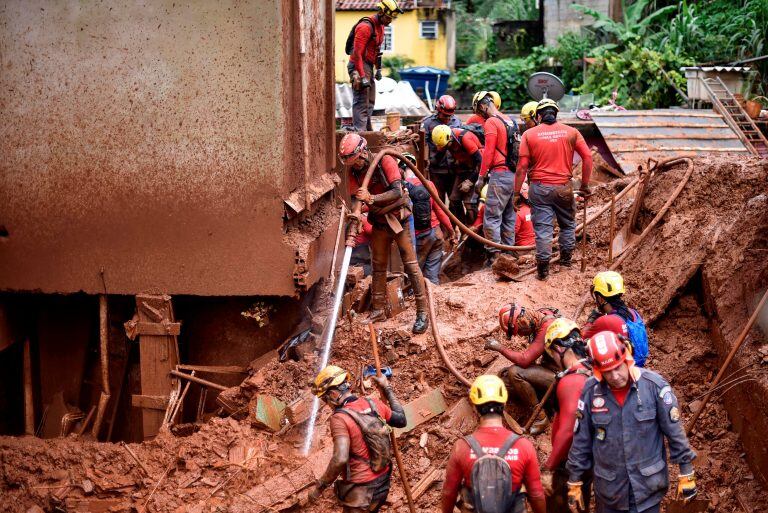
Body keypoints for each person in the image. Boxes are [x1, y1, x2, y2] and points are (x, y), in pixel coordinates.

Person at [566, 331, 697, 513]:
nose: (614, 376)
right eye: (607, 372)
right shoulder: (590, 392)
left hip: (647, 489)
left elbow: (675, 433)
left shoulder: (654, 387)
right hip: (609, 491)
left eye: (618, 368)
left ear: (627, 358)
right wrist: (575, 480)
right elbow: (581, 440)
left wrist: (686, 472)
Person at [339, 133, 429, 333]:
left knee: (411, 264)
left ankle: (422, 313)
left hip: (399, 219)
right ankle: (379, 309)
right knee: (378, 265)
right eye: (351, 164)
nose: (355, 166)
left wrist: (371, 198)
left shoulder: (385, 160)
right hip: (379, 222)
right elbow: (357, 198)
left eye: (356, 162)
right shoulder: (353, 172)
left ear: (363, 153)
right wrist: (355, 213)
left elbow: (397, 192)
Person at [308, 365, 407, 512]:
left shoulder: (339, 418)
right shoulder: (373, 403)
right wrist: (387, 387)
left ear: (334, 394)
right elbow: (401, 420)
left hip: (362, 493)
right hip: (383, 485)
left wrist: (319, 487)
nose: (326, 403)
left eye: (324, 398)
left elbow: (340, 458)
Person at [442, 375, 547, 513]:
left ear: (474, 407)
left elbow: (449, 492)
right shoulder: (524, 446)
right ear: (503, 404)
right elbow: (536, 494)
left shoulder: (461, 447)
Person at [514, 98, 593, 281]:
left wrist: (516, 193)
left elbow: (521, 168)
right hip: (564, 188)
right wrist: (585, 186)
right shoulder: (572, 132)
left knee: (543, 229)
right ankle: (565, 262)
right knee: (567, 225)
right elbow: (588, 157)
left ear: (539, 115)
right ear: (556, 114)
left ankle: (543, 271)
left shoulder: (529, 135)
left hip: (539, 188)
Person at [540, 319, 593, 513]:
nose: (553, 359)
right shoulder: (590, 371)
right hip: (587, 458)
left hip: (569, 460)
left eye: (551, 354)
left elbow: (570, 428)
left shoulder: (572, 381)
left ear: (558, 348)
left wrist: (549, 467)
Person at [485, 302, 561, 434]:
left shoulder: (547, 326)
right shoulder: (540, 320)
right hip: (550, 372)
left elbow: (525, 360)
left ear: (524, 321)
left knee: (515, 372)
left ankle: (540, 417)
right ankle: (544, 404)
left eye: (518, 331)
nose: (520, 335)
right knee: (505, 380)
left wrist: (499, 348)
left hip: (561, 377)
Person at [473, 91, 518, 265]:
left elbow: (489, 151)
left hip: (499, 175)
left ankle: (494, 257)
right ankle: (509, 254)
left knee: (491, 217)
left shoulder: (492, 122)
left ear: (483, 105)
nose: (480, 116)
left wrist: (481, 176)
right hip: (513, 176)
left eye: (479, 111)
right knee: (508, 216)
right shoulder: (510, 120)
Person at [347, 0, 403, 131]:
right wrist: (362, 76)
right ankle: (360, 134)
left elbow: (377, 50)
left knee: (370, 101)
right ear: (381, 12)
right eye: (388, 18)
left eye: (392, 18)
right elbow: (357, 54)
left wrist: (378, 69)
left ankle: (366, 130)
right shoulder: (365, 27)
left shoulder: (381, 27)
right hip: (357, 64)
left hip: (368, 65)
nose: (390, 21)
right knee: (361, 100)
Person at [582, 271, 649, 367]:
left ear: (600, 299)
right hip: (638, 366)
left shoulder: (605, 321)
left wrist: (590, 321)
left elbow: (581, 338)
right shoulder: (633, 313)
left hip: (621, 369)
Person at [405, 167, 454, 285]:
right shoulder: (428, 184)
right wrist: (451, 232)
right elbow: (440, 210)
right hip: (436, 234)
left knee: (415, 276)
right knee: (432, 277)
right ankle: (434, 299)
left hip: (419, 237)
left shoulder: (403, 187)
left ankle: (418, 301)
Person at [432, 124, 483, 224]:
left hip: (477, 170)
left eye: (446, 146)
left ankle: (475, 231)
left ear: (450, 138)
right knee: (454, 199)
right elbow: (437, 158)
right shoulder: (444, 139)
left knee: (470, 203)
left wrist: (470, 181)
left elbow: (481, 162)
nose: (445, 148)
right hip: (463, 169)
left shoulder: (465, 139)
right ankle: (464, 229)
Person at [421, 95, 462, 209]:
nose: (447, 119)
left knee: (455, 201)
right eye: (444, 115)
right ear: (438, 110)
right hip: (436, 169)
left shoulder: (457, 122)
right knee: (438, 202)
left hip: (454, 169)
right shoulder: (427, 123)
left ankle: (455, 226)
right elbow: (422, 146)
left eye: (450, 116)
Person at [514, 182, 535, 247]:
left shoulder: (518, 213)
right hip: (536, 245)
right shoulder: (534, 209)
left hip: (521, 248)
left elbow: (512, 233)